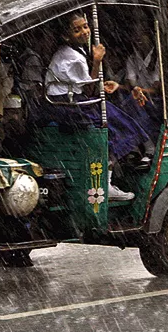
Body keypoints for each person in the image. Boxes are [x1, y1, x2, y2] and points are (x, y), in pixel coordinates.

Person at [45, 11, 151, 201]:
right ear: (66, 35)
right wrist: (97, 61)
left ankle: (109, 176)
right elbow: (90, 90)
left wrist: (105, 83)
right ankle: (106, 183)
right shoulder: (73, 56)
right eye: (77, 30)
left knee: (116, 116)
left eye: (85, 26)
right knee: (118, 125)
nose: (84, 32)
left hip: (67, 103)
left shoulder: (69, 52)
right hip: (69, 106)